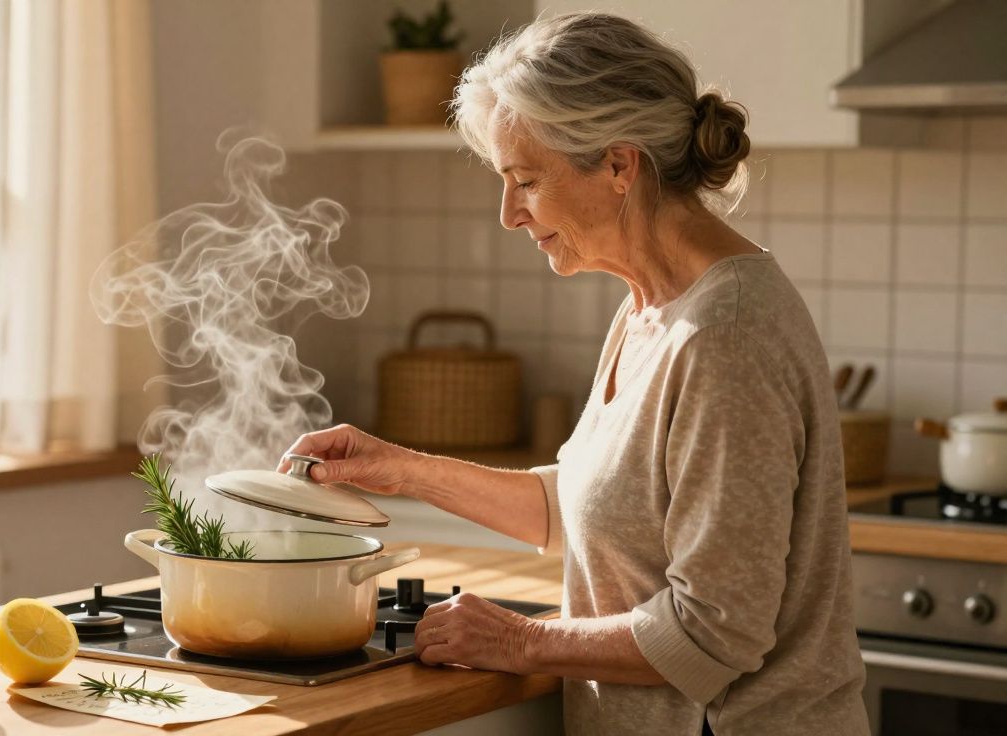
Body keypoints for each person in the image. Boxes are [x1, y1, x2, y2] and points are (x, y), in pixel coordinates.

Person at [280, 12, 868, 736]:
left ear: (619, 166)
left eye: (526, 180)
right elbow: (593, 509)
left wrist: (519, 641)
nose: (509, 215)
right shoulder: (651, 308)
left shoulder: (725, 337)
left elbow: (714, 634)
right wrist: (400, 470)